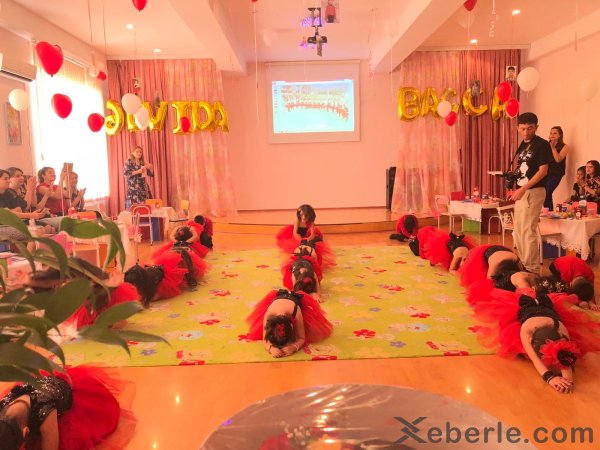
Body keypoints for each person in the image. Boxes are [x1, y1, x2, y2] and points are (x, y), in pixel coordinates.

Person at [470, 284, 600, 394]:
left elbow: (565, 358)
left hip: (548, 313)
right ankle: (536, 292)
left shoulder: (562, 331)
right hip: (529, 313)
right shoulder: (526, 331)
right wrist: (549, 378)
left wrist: (568, 381)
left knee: (543, 302)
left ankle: (538, 292)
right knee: (524, 300)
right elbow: (535, 359)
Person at [0, 365, 136, 449]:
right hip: (37, 388)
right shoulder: (3, 405)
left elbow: (51, 446)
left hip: (65, 393)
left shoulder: (45, 411)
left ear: (26, 431)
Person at [510, 113, 553, 274]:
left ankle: (532, 270)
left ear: (536, 127)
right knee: (519, 231)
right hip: (522, 191)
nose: (526, 132)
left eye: (530, 128)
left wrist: (522, 189)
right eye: (523, 129)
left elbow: (543, 171)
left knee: (528, 231)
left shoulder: (541, 145)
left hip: (533, 191)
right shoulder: (523, 145)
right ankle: (523, 264)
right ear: (517, 128)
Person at [246, 287, 332, 358]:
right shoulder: (268, 315)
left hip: (293, 303)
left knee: (309, 331)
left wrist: (294, 347)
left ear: (291, 326)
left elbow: (301, 338)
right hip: (278, 303)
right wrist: (271, 349)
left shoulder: (296, 312)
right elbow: (265, 339)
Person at [544, 126, 570, 210]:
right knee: (544, 193)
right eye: (551, 133)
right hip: (546, 172)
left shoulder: (565, 146)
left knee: (547, 191)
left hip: (556, 173)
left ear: (560, 135)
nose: (552, 135)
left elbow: (558, 159)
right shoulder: (546, 145)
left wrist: (552, 147)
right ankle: (547, 211)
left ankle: (549, 212)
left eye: (555, 133)